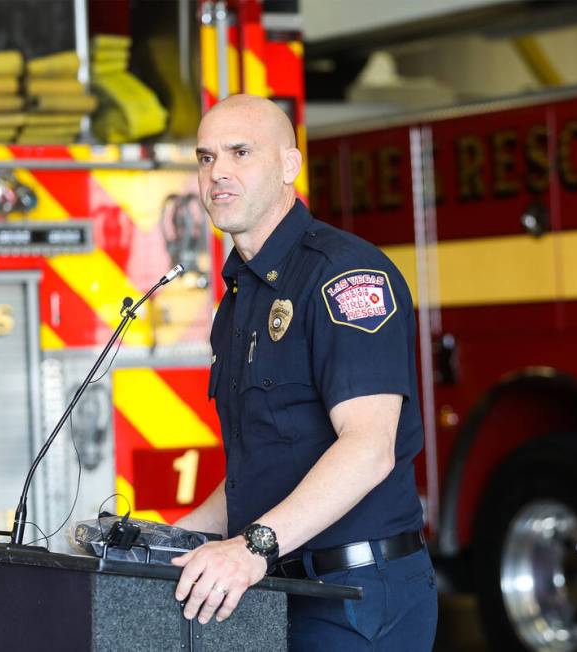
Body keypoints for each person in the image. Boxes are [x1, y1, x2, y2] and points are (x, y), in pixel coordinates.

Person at [171, 94, 437, 650]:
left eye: (240, 152)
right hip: (273, 592)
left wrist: (250, 548)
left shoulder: (345, 276)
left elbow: (369, 448)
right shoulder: (240, 297)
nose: (218, 172)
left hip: (354, 596)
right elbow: (266, 466)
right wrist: (158, 540)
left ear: (289, 166)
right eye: (205, 157)